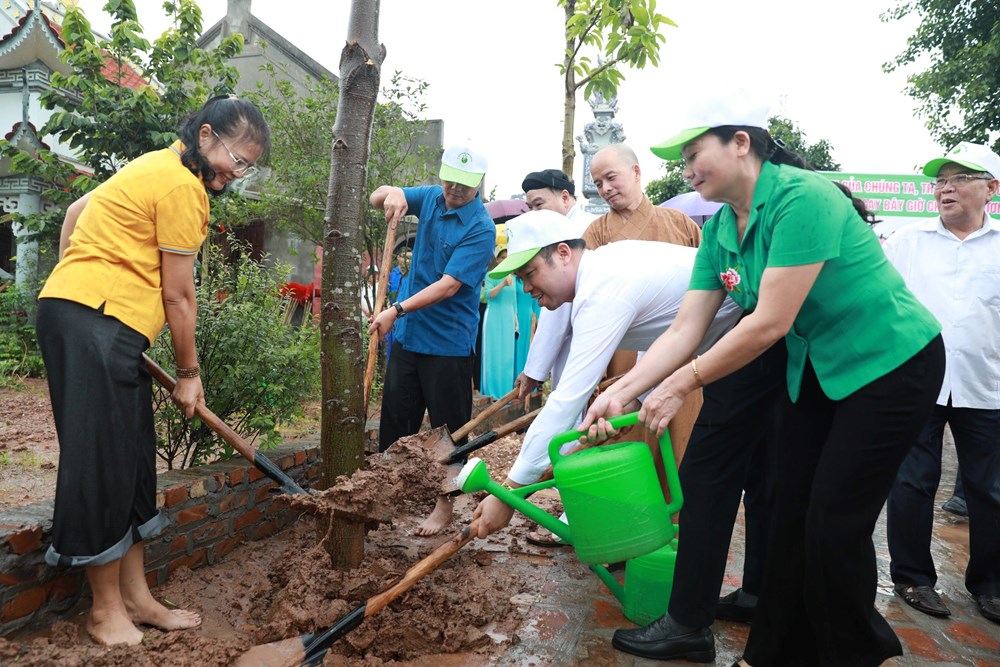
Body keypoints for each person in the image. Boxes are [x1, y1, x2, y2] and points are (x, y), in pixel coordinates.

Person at [581, 90, 944, 666]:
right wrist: (623, 390)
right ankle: (771, 652)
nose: (686, 169)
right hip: (820, 372)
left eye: (693, 153)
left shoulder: (805, 199)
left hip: (891, 366)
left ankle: (858, 651)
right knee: (790, 518)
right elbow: (683, 330)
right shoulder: (723, 227)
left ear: (741, 143)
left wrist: (681, 385)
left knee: (833, 522)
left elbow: (770, 323)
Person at [35, 94, 270, 646]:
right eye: (236, 159)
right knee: (100, 460)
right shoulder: (182, 187)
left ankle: (137, 598)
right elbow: (179, 295)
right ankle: (103, 610)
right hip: (93, 322)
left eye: (247, 167)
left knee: (134, 459)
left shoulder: (153, 165)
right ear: (206, 135)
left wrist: (78, 282)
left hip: (100, 322)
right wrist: (188, 371)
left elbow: (76, 214)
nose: (236, 174)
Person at [472, 210, 742, 536]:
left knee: (723, 474)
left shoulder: (602, 288)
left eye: (530, 273)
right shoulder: (602, 271)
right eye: (520, 279)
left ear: (563, 253)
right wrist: (632, 399)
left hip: (749, 340)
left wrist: (510, 494)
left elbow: (567, 400)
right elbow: (666, 329)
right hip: (723, 346)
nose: (527, 287)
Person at [884, 142, 1000, 624]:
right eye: (940, 180)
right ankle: (913, 578)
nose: (945, 187)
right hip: (916, 386)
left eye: (959, 178)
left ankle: (991, 586)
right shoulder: (907, 243)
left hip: (987, 386)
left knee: (990, 490)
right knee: (911, 482)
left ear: (991, 189)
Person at [368, 146, 495, 536]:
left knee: (450, 433)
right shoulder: (432, 198)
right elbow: (378, 197)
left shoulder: (480, 228)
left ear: (478, 186)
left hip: (448, 345)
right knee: (395, 427)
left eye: (464, 185)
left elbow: (448, 286)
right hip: (409, 339)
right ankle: (381, 503)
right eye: (449, 181)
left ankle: (445, 509)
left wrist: (396, 310)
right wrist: (391, 193)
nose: (454, 191)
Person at [480, 247, 518, 399]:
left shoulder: (513, 277)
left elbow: (514, 302)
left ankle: (504, 393)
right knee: (494, 352)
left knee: (507, 355)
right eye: (502, 257)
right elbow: (489, 295)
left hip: (508, 318)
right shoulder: (492, 275)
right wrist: (502, 284)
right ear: (497, 259)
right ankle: (491, 391)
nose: (504, 260)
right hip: (494, 317)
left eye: (507, 257)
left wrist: (516, 322)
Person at [384, 247, 411, 364]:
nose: (408, 261)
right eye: (405, 257)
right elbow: (385, 295)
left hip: (408, 315)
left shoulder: (412, 276)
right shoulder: (390, 275)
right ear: (398, 257)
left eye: (410, 258)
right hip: (391, 316)